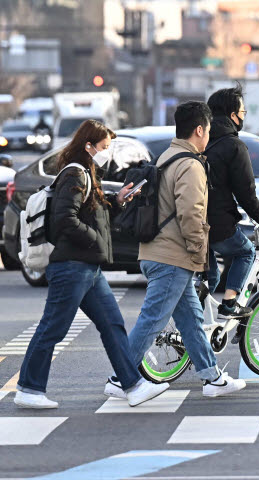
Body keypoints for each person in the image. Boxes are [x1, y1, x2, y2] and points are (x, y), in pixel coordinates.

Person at [14, 120, 169, 409]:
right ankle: (28, 388)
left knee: (112, 324)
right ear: (88, 146)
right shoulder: (75, 174)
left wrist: (117, 199)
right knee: (53, 328)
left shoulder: (84, 173)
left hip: (87, 268)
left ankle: (132, 386)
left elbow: (88, 210)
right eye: (103, 147)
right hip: (72, 266)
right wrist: (95, 239)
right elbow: (65, 219)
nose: (106, 153)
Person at [126, 101, 245, 398]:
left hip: (158, 251)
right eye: (208, 132)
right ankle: (121, 378)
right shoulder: (190, 164)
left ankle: (212, 377)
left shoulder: (168, 156)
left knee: (191, 319)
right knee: (152, 320)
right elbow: (191, 213)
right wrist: (198, 253)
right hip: (172, 257)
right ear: (200, 130)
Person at [204, 85, 259, 317]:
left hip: (193, 222)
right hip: (218, 223)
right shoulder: (234, 145)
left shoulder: (199, 140)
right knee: (245, 252)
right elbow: (246, 192)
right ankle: (229, 305)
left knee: (212, 275)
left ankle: (193, 322)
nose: (243, 117)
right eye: (243, 113)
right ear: (232, 114)